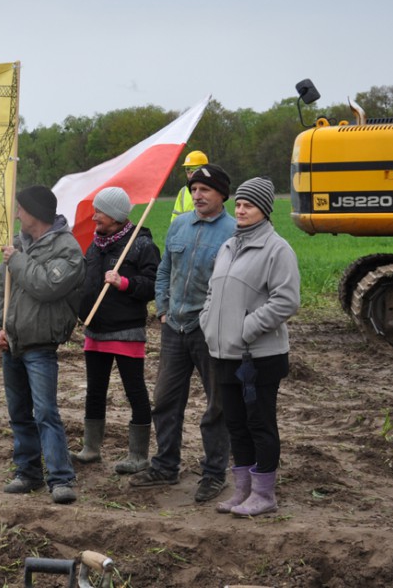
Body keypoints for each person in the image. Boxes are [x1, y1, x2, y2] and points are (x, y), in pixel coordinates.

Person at [130, 163, 235, 503]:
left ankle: (214, 473)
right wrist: (162, 309)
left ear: (222, 194)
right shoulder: (178, 226)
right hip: (175, 328)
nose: (197, 195)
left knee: (217, 404)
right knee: (165, 400)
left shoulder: (234, 233)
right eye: (193, 190)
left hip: (210, 332)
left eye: (205, 189)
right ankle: (165, 466)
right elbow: (164, 271)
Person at [200, 176, 300, 516]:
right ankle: (242, 491)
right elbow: (213, 290)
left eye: (249, 205)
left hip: (259, 356)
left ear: (264, 210)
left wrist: (246, 328)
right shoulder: (229, 246)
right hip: (224, 352)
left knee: (260, 424)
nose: (241, 210)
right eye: (239, 204)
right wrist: (208, 319)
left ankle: (265, 494)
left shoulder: (277, 249)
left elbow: (286, 301)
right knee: (236, 424)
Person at [0, 185, 84, 504]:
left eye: (21, 209)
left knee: (46, 412)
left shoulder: (67, 249)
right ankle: (27, 472)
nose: (16, 214)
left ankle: (61, 478)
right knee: (19, 413)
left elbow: (48, 285)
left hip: (40, 345)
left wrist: (17, 261)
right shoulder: (16, 245)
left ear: (36, 213)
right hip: (10, 345)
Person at [71, 187, 160, 475]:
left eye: (100, 211)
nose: (94, 216)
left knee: (135, 392)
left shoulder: (141, 245)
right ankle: (91, 448)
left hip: (126, 331)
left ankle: (138, 455)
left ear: (117, 215)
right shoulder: (95, 244)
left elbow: (154, 285)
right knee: (95, 392)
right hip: (95, 330)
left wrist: (124, 282)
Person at [170, 150, 208, 222]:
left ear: (204, 170)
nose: (190, 176)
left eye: (193, 171)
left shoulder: (213, 190)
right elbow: (175, 217)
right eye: (188, 172)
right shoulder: (183, 191)